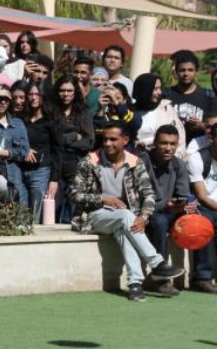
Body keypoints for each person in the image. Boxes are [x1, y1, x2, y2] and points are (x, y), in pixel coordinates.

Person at [72, 123, 184, 301]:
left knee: (124, 227)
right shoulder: (89, 161)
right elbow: (75, 194)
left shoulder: (135, 162)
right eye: (105, 139)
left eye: (113, 139)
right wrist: (104, 199)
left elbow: (148, 194)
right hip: (93, 216)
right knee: (125, 217)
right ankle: (157, 263)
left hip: (123, 219)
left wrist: (144, 216)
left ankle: (135, 284)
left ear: (125, 140)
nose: (107, 143)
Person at [140, 125, 190, 297]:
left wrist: (182, 204)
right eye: (163, 143)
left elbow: (184, 194)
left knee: (200, 219)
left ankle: (202, 276)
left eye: (172, 144)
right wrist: (163, 205)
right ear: (155, 143)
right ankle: (161, 277)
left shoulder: (179, 165)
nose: (168, 148)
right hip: (147, 213)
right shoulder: (142, 162)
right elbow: (138, 200)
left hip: (171, 212)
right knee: (159, 222)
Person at [55, 76, 92, 222]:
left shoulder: (83, 113)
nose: (65, 94)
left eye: (69, 90)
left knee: (71, 212)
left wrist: (63, 141)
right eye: (62, 90)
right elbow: (51, 140)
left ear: (75, 92)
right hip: (55, 166)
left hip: (75, 167)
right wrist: (73, 136)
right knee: (53, 211)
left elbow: (88, 143)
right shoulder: (52, 111)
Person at [21, 83, 59, 223]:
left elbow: (57, 150)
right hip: (20, 169)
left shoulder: (50, 121)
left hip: (41, 171)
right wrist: (24, 148)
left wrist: (54, 179)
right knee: (21, 211)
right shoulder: (21, 119)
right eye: (30, 94)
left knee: (36, 214)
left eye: (37, 94)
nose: (33, 98)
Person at [185, 123, 217, 293]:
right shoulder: (197, 158)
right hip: (203, 206)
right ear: (211, 138)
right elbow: (202, 195)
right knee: (204, 223)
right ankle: (202, 277)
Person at [0, 88, 29, 206]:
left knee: (18, 218)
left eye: (5, 99)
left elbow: (24, 151)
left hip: (14, 176)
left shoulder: (18, 123)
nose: (2, 102)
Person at [166, 50, 214, 140]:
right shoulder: (166, 95)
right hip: (171, 147)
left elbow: (214, 129)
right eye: (182, 70)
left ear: (196, 72)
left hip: (200, 148)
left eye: (190, 70)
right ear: (176, 72)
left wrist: (201, 126)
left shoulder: (209, 96)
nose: (186, 74)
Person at [133, 73, 185, 152]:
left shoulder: (166, 108)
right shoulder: (129, 111)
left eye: (160, 88)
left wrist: (177, 156)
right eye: (155, 89)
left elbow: (180, 136)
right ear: (145, 90)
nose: (160, 92)